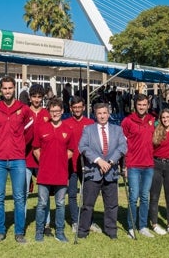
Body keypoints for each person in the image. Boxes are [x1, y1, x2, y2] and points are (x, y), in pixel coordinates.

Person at [0, 76, 34, 244]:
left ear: (15, 89)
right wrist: (0, 145)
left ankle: (19, 232)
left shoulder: (24, 109)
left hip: (17, 159)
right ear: (1, 90)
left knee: (19, 197)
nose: (7, 91)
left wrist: (18, 145)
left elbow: (29, 133)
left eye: (10, 88)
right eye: (4, 88)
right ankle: (0, 231)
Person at [77, 102, 127, 239]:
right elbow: (82, 147)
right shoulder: (88, 129)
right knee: (88, 205)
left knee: (111, 205)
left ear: (109, 113)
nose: (102, 116)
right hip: (93, 172)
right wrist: (98, 160)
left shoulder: (118, 130)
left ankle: (111, 231)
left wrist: (110, 162)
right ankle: (83, 231)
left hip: (111, 172)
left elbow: (123, 147)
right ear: (95, 115)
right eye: (99, 113)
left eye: (105, 113)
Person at [33, 98, 73, 242]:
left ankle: (60, 232)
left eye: (58, 111)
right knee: (42, 203)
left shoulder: (68, 129)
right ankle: (39, 230)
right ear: (48, 112)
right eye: (52, 111)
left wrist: (59, 161)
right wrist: (45, 161)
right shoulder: (41, 128)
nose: (55, 113)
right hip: (44, 173)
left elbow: (71, 151)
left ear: (62, 111)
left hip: (61, 173)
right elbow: (36, 149)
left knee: (60, 204)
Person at [121, 93, 155, 238]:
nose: (142, 107)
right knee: (133, 197)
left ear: (148, 105)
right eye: (139, 105)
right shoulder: (127, 121)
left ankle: (142, 226)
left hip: (149, 165)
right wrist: (124, 166)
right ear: (135, 105)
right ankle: (131, 227)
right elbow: (122, 145)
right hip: (133, 165)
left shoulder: (152, 120)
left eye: (144, 105)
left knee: (145, 197)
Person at [62, 96, 94, 233]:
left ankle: (89, 221)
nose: (77, 110)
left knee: (88, 194)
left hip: (87, 165)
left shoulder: (91, 123)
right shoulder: (65, 123)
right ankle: (75, 221)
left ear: (84, 107)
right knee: (72, 194)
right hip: (71, 165)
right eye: (74, 107)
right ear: (70, 108)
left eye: (79, 107)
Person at [25, 84, 53, 237]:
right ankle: (21, 225)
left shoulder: (46, 114)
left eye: (39, 97)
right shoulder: (23, 112)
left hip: (43, 160)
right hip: (25, 159)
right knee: (23, 193)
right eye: (34, 96)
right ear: (30, 97)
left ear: (43, 98)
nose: (36, 99)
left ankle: (46, 224)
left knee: (44, 194)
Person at [149, 108, 169, 236]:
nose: (165, 119)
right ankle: (155, 224)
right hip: (156, 165)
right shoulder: (156, 131)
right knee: (154, 196)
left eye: (168, 117)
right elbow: (150, 148)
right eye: (163, 118)